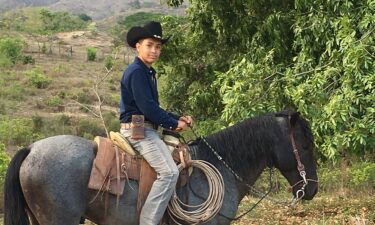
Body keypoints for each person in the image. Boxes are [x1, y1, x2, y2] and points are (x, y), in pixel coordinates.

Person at [119, 21, 193, 225]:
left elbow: (153, 106)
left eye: (158, 47)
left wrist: (177, 117)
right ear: (138, 46)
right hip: (139, 130)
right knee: (169, 172)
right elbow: (148, 109)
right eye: (149, 45)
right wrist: (173, 124)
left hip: (146, 127)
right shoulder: (136, 72)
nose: (154, 50)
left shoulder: (147, 72)